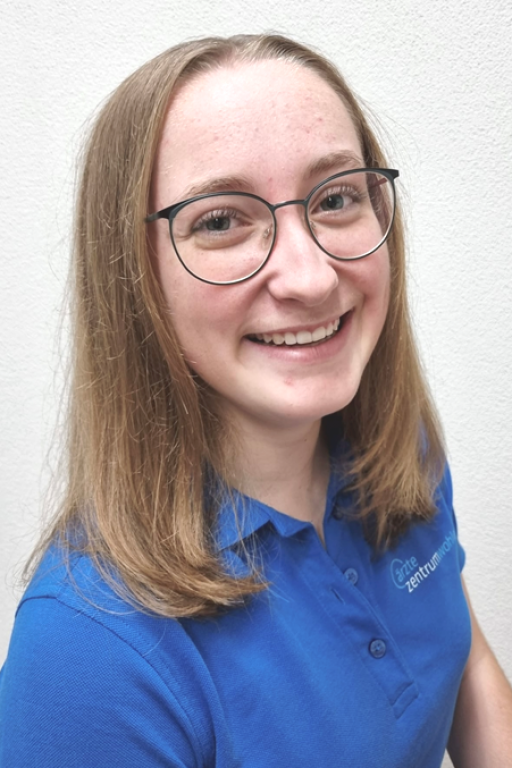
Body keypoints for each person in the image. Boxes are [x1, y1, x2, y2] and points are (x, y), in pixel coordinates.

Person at [0, 33, 511, 768]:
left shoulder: (401, 449)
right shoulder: (86, 654)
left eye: (336, 198)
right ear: (134, 281)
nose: (311, 277)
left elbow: (467, 665)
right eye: (220, 220)